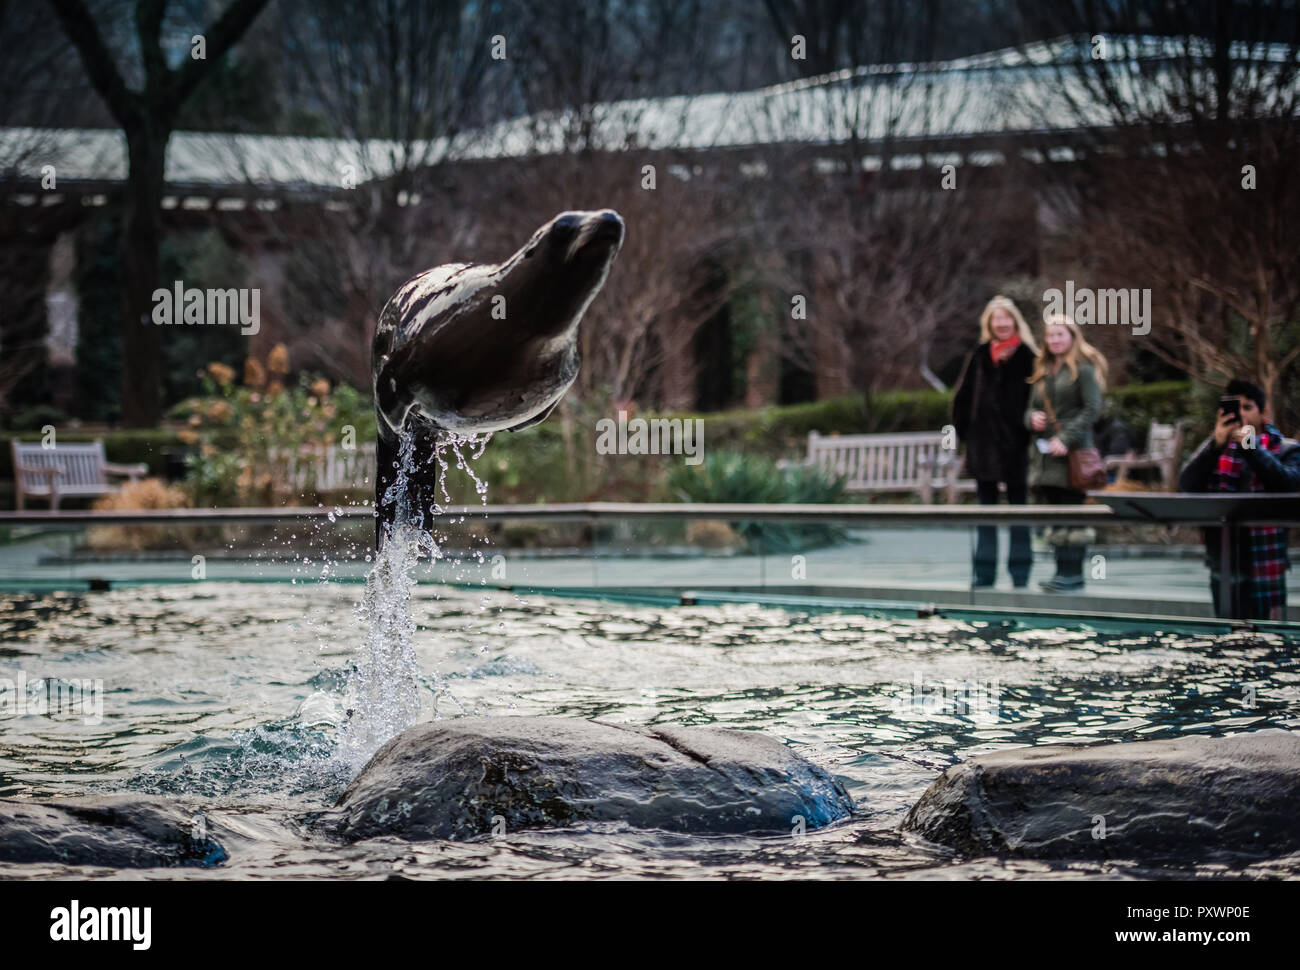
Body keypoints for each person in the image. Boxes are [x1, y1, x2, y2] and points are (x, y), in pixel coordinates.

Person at [1177, 379, 1300, 620]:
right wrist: (1215, 445)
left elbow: (1288, 485)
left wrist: (1250, 448)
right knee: (1227, 634)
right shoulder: (1214, 447)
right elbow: (1186, 485)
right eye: (1235, 408)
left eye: (1248, 407)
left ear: (1263, 413)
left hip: (1265, 560)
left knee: (1270, 637)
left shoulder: (1286, 449)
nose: (1241, 414)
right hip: (1224, 559)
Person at [952, 296, 1038, 588]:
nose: (1001, 323)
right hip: (983, 446)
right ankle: (984, 574)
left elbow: (1037, 400)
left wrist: (1025, 433)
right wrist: (966, 435)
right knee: (985, 512)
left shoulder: (1027, 356)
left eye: (1006, 318)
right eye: (996, 319)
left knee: (1019, 511)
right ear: (989, 323)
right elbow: (962, 398)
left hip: (1015, 447)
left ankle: (1020, 574)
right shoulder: (979, 354)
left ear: (1015, 321)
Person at [1024, 313, 1108, 592]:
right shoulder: (1042, 369)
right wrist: (1030, 419)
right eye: (1050, 335)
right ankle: (1062, 572)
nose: (1055, 340)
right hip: (1046, 456)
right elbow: (1029, 408)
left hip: (1072, 454)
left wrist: (1066, 438)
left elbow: (1092, 409)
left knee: (1072, 515)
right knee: (1055, 514)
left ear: (1072, 336)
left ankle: (1073, 573)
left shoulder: (1083, 369)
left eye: (1060, 334)